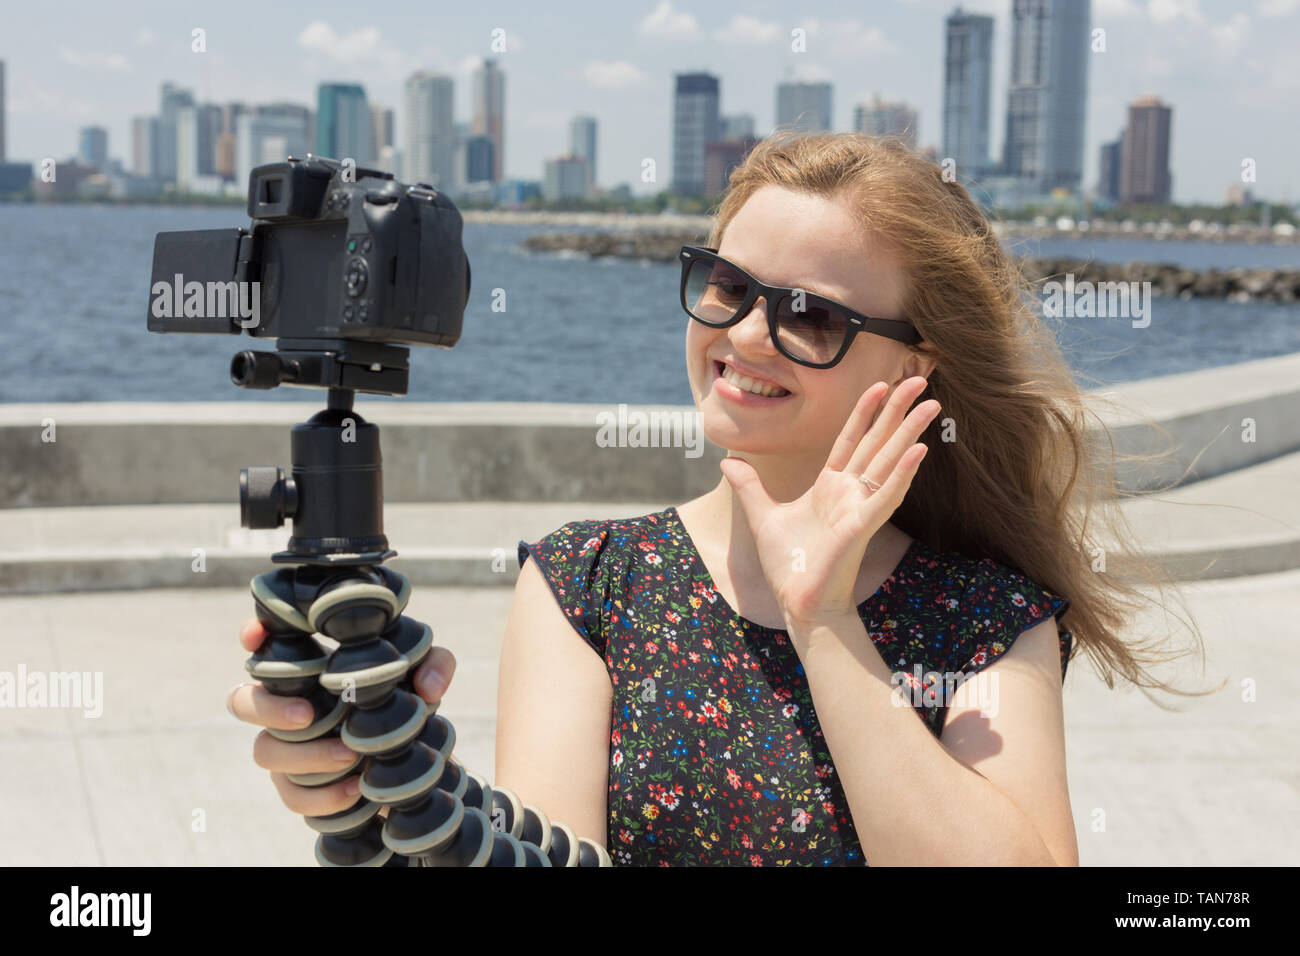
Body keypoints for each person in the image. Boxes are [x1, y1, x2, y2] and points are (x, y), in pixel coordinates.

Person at [228, 131, 1210, 866]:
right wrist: (370, 793)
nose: (744, 335)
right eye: (726, 285)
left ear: (917, 362)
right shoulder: (587, 585)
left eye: (810, 315)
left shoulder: (988, 619)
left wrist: (823, 618)